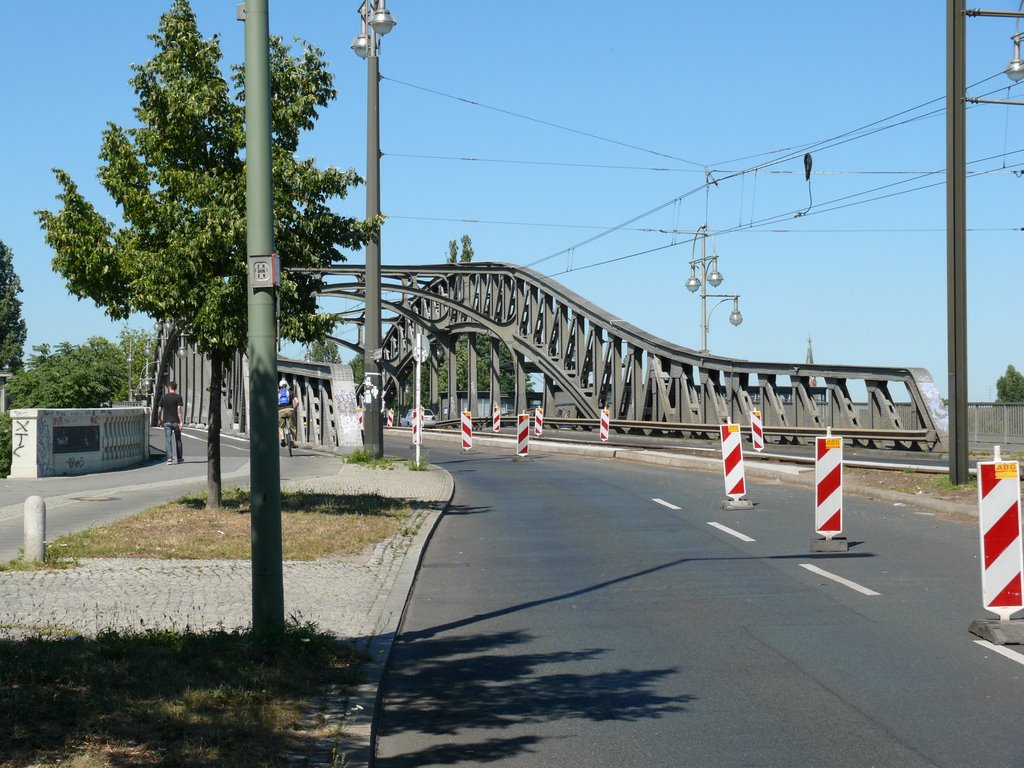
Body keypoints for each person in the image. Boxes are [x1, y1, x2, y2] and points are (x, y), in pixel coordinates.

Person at [158, 381, 184, 465]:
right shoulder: (178, 397)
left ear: (169, 387)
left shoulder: (164, 397)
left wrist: (160, 420)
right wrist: (181, 422)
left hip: (166, 422)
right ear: (175, 388)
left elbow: (159, 410)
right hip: (176, 422)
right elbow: (179, 410)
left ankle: (169, 459)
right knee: (178, 440)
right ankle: (179, 459)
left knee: (168, 440)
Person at [278, 379, 300, 447]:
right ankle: (293, 442)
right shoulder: (291, 392)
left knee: (281, 427)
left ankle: (282, 439)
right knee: (293, 427)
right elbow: (297, 402)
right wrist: (294, 409)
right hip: (290, 410)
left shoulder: (277, 393)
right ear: (286, 385)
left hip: (281, 411)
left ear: (279, 386)